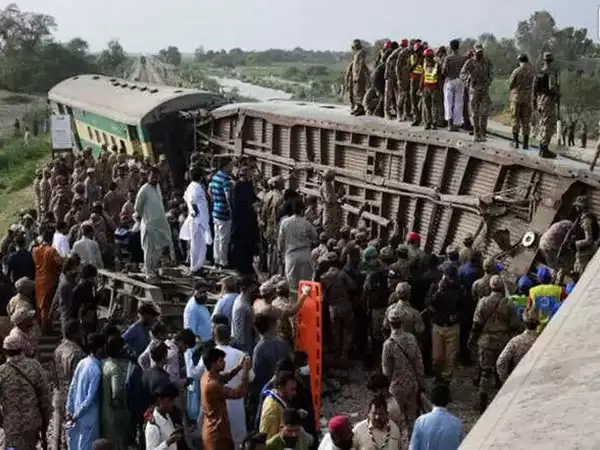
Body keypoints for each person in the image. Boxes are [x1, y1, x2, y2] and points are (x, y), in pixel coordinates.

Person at [469, 275, 520, 412]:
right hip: (503, 341)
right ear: (502, 287)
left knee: (485, 372)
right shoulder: (508, 303)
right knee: (502, 370)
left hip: (486, 341)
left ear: (490, 287)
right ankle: (501, 400)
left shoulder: (483, 302)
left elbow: (476, 324)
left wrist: (472, 339)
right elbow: (515, 324)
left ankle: (482, 400)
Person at [0, 333, 52, 450]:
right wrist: (45, 423)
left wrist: (3, 422)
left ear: (5, 351)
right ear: (22, 348)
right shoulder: (35, 366)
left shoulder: (2, 372)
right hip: (32, 424)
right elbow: (46, 397)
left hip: (12, 427)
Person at [382, 303, 425, 432]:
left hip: (397, 385)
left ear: (389, 323)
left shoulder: (388, 344)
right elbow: (419, 363)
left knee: (395, 419)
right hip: (412, 382)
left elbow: (386, 370)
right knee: (411, 418)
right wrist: (421, 381)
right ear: (402, 322)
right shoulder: (412, 338)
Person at [201, 347, 252, 450]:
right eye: (221, 361)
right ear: (212, 364)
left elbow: (224, 378)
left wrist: (239, 367)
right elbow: (239, 393)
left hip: (214, 429)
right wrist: (246, 372)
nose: (224, 363)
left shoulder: (207, 376)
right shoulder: (212, 385)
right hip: (216, 434)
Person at [66, 332, 106, 450]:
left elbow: (72, 387)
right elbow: (90, 398)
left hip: (76, 414)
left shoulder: (82, 363)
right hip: (88, 417)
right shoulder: (96, 369)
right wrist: (77, 414)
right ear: (99, 349)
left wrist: (69, 409)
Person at [135, 167, 173, 282]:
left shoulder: (157, 187)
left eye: (157, 176)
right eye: (153, 176)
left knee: (159, 249)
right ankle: (148, 273)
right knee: (148, 250)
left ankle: (153, 269)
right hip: (149, 225)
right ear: (148, 176)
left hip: (159, 224)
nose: (155, 178)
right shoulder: (144, 189)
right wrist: (145, 217)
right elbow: (137, 207)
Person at [427, 264, 464, 381]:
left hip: (452, 327)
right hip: (438, 326)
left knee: (451, 358)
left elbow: (464, 307)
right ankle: (438, 376)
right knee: (437, 357)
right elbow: (430, 302)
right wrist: (439, 290)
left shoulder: (459, 289)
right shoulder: (435, 286)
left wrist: (458, 316)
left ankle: (446, 381)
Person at [54, 320, 86, 450]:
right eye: (81, 329)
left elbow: (54, 374)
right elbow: (79, 379)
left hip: (60, 393)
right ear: (75, 333)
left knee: (62, 428)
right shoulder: (77, 353)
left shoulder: (58, 349)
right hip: (72, 396)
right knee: (73, 432)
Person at [409, 382, 463, 450]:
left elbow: (413, 447)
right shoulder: (457, 424)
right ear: (448, 401)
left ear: (431, 400)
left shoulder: (420, 421)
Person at [101, 335, 133, 450]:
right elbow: (117, 393)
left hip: (104, 412)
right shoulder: (115, 368)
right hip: (115, 416)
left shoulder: (104, 363)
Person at [253, 314, 293, 403]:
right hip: (285, 390)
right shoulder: (283, 344)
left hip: (268, 393)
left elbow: (257, 373)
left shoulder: (258, 349)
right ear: (271, 327)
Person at [179, 166, 212, 274]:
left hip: (197, 220)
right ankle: (196, 268)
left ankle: (196, 266)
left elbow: (186, 198)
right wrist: (196, 213)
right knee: (199, 246)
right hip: (198, 221)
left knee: (197, 245)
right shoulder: (196, 187)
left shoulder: (192, 186)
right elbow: (192, 200)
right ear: (200, 176)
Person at [32, 227, 64, 331]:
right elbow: (61, 262)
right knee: (47, 306)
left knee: (40, 305)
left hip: (38, 279)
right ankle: (46, 328)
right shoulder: (52, 251)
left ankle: (42, 326)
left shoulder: (35, 250)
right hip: (49, 280)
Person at [460, 43, 493, 142]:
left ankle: (483, 134)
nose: (480, 54)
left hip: (484, 89)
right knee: (475, 113)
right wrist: (468, 79)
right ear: (474, 52)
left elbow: (491, 72)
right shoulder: (470, 62)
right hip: (474, 90)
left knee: (484, 112)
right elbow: (462, 74)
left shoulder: (487, 61)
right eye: (478, 52)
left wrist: (489, 81)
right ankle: (476, 133)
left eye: (481, 52)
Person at [231, 165, 261, 275]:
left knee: (249, 245)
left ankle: (248, 267)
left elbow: (253, 197)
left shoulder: (249, 185)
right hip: (240, 221)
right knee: (241, 246)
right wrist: (251, 206)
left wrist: (258, 202)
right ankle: (241, 268)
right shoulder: (237, 187)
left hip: (250, 221)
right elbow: (236, 205)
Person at [496, 308, 539, 382]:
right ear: (538, 323)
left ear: (523, 323)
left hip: (518, 380)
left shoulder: (515, 341)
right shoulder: (543, 340)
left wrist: (506, 381)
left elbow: (501, 362)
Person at [208, 158, 234, 268]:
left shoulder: (215, 177)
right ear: (225, 166)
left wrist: (214, 200)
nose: (232, 167)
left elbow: (209, 190)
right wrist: (231, 209)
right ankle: (223, 262)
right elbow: (228, 196)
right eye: (231, 165)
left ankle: (217, 259)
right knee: (224, 239)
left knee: (217, 237)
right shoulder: (226, 179)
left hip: (216, 211)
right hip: (224, 213)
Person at [533, 52, 560, 158]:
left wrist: (534, 101)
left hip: (540, 100)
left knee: (542, 122)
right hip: (548, 100)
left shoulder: (539, 72)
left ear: (544, 60)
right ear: (551, 60)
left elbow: (534, 88)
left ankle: (542, 148)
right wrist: (558, 93)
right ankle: (544, 149)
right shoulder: (551, 72)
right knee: (548, 124)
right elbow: (552, 87)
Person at [526, 266, 567, 333]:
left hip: (542, 328)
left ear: (539, 279)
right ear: (550, 277)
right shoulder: (559, 289)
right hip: (559, 321)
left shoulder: (532, 291)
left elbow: (528, 308)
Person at [144, 382, 184, 450]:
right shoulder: (153, 426)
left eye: (173, 400)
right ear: (159, 400)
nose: (172, 403)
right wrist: (168, 442)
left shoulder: (167, 415)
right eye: (170, 400)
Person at [508, 54, 535, 149]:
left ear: (519, 61)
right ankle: (525, 143)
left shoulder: (516, 71)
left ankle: (515, 142)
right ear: (527, 61)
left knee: (515, 119)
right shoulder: (531, 72)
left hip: (516, 98)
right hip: (527, 99)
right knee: (526, 121)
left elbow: (510, 84)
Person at [441, 39, 467, 131]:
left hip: (450, 81)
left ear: (451, 47)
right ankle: (457, 125)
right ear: (458, 47)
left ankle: (449, 125)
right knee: (458, 103)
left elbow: (443, 71)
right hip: (460, 81)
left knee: (448, 103)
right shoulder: (463, 58)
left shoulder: (448, 58)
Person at [231, 275, 259, 354]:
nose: (255, 288)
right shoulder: (241, 305)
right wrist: (243, 348)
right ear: (249, 288)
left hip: (248, 338)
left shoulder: (245, 299)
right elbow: (239, 328)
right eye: (253, 286)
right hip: (244, 343)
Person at [573, 195, 599, 275]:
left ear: (581, 207)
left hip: (587, 251)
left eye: (577, 206)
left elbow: (589, 240)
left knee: (581, 273)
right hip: (585, 250)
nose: (576, 208)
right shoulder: (584, 217)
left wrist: (575, 244)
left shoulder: (586, 220)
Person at [184, 278, 213, 345]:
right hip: (198, 346)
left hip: (207, 342)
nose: (203, 295)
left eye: (205, 292)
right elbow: (190, 331)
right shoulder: (192, 308)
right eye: (201, 292)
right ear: (194, 291)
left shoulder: (200, 303)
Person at [347, 39, 369, 116]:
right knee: (356, 93)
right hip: (356, 76)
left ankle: (361, 109)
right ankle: (358, 108)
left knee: (360, 93)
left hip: (359, 76)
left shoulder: (361, 53)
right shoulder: (357, 54)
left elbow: (361, 65)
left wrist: (358, 75)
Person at [421, 48, 442, 130]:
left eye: (426, 56)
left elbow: (439, 78)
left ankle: (434, 123)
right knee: (428, 107)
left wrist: (439, 89)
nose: (426, 58)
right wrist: (421, 87)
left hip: (434, 89)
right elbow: (423, 76)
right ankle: (428, 123)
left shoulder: (437, 65)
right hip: (426, 88)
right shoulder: (425, 64)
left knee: (434, 107)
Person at [409, 43, 425, 126]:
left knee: (422, 101)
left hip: (422, 80)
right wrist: (416, 63)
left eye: (419, 51)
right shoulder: (412, 57)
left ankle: (423, 118)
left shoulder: (426, 58)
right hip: (413, 80)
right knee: (413, 100)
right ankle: (416, 118)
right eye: (416, 51)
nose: (418, 53)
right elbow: (409, 69)